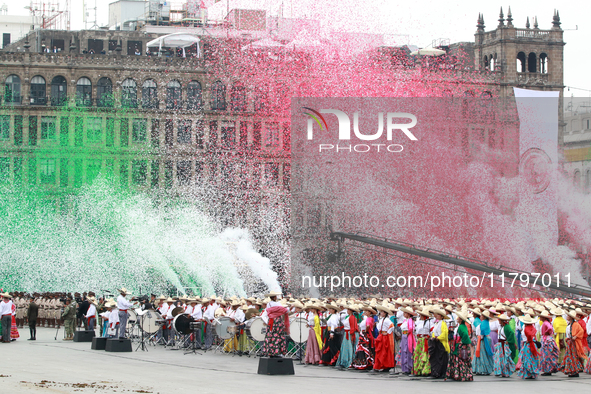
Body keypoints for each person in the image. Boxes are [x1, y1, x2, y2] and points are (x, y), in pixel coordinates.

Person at [446, 310, 473, 381]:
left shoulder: (462, 327)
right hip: (458, 345)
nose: (457, 318)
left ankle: (462, 374)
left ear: (460, 319)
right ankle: (460, 374)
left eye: (458, 318)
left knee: (461, 360)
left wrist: (462, 342)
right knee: (461, 360)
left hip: (460, 346)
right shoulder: (461, 326)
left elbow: (465, 335)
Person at [260, 291, 289, 357]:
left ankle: (270, 351)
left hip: (271, 321)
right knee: (278, 336)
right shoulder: (279, 304)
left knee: (271, 335)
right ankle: (278, 351)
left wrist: (267, 321)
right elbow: (285, 310)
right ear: (275, 297)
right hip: (278, 321)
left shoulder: (269, 304)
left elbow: (266, 313)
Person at [560, 309, 587, 378]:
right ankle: (572, 371)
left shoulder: (575, 324)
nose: (567, 316)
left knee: (573, 357)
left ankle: (574, 371)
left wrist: (576, 336)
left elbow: (581, 331)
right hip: (570, 343)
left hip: (573, 344)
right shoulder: (570, 324)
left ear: (571, 317)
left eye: (568, 316)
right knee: (570, 357)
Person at [335, 305, 360, 370]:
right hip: (347, 333)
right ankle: (344, 361)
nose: (347, 311)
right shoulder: (348, 317)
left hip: (349, 334)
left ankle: (348, 362)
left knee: (348, 348)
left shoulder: (352, 317)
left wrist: (351, 335)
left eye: (348, 309)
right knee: (346, 348)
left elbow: (353, 327)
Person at [517, 314, 540, 379]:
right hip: (533, 343)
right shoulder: (532, 327)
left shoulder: (526, 328)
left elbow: (529, 335)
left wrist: (529, 340)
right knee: (533, 358)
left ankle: (528, 373)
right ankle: (533, 373)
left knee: (527, 359)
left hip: (529, 345)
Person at [428, 307, 450, 379]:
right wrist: (434, 337)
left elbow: (445, 333)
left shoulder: (443, 323)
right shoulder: (437, 323)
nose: (436, 316)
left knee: (442, 359)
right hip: (436, 342)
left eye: (438, 315)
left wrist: (438, 338)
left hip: (441, 343)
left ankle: (442, 373)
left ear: (441, 316)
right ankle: (437, 372)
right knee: (436, 358)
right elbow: (434, 332)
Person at [373, 305, 395, 372]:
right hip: (381, 335)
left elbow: (392, 326)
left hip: (384, 336)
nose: (381, 313)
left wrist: (388, 332)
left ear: (385, 313)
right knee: (380, 351)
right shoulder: (382, 319)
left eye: (382, 312)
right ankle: (379, 365)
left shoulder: (387, 320)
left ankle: (384, 365)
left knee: (383, 351)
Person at [472, 310, 494, 375]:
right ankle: (482, 369)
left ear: (484, 316)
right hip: (483, 338)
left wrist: (479, 337)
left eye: (481, 315)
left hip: (483, 339)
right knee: (483, 354)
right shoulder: (485, 322)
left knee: (482, 354)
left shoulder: (484, 322)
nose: (480, 316)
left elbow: (482, 332)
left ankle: (483, 369)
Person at [412, 307, 432, 376]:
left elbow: (432, 331)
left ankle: (425, 370)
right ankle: (418, 369)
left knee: (425, 354)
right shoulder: (420, 322)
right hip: (420, 340)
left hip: (425, 340)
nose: (420, 316)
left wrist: (428, 336)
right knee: (418, 354)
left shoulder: (429, 322)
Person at [539, 309, 559, 376]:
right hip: (547, 339)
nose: (540, 318)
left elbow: (550, 328)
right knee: (547, 355)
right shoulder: (546, 322)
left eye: (541, 316)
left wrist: (547, 332)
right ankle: (548, 369)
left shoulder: (545, 323)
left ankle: (548, 370)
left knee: (546, 355)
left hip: (546, 340)